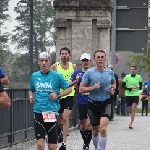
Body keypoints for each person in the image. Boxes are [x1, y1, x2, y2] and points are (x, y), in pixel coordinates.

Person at [29, 52, 72, 150]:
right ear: (39, 62)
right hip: (38, 111)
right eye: (41, 61)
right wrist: (31, 96)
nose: (43, 63)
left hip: (51, 112)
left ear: (50, 62)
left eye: (46, 61)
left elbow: (69, 89)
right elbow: (31, 89)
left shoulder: (56, 76)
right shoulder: (34, 76)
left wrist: (58, 95)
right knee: (40, 143)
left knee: (52, 147)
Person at [79, 50, 116, 150]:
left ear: (105, 59)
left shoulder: (110, 72)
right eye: (98, 57)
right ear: (94, 59)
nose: (100, 59)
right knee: (95, 130)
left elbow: (113, 82)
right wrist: (92, 88)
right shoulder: (89, 73)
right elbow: (81, 89)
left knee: (103, 128)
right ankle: (96, 148)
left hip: (106, 102)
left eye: (102, 57)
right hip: (92, 103)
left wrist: (113, 88)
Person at [51, 47, 76, 150]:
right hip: (58, 95)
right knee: (59, 119)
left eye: (66, 54)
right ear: (60, 55)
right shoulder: (55, 67)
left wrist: (73, 84)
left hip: (69, 95)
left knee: (65, 118)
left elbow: (76, 80)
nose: (64, 55)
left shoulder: (73, 66)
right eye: (62, 54)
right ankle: (60, 132)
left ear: (69, 55)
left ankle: (64, 143)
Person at [71, 53, 92, 150]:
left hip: (92, 101)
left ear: (90, 61)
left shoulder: (93, 72)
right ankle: (85, 141)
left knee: (89, 124)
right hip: (81, 101)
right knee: (83, 125)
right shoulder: (77, 73)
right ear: (81, 62)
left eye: (87, 61)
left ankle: (87, 145)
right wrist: (76, 81)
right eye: (83, 61)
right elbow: (69, 84)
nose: (85, 63)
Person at [122, 65, 142, 129]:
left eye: (134, 69)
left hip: (135, 95)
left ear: (136, 70)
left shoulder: (139, 77)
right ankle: (132, 115)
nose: (133, 70)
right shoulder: (127, 77)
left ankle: (131, 123)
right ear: (130, 70)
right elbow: (123, 86)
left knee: (133, 108)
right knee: (130, 110)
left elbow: (141, 86)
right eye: (131, 69)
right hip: (128, 95)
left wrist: (137, 87)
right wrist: (129, 88)